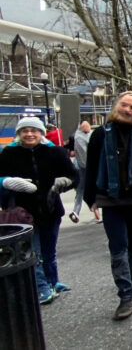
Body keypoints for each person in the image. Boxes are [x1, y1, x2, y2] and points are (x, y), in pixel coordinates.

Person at [84, 91, 132, 320]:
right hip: (110, 198)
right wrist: (91, 199)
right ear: (116, 106)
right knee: (117, 247)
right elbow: (91, 167)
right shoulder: (100, 135)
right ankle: (125, 296)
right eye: (125, 105)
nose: (128, 110)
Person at [0, 117, 77, 304]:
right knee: (33, 253)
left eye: (33, 130)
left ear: (41, 133)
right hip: (22, 214)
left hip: (50, 210)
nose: (29, 134)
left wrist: (65, 182)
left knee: (49, 251)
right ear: (18, 134)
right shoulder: (8, 154)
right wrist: (5, 182)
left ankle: (53, 281)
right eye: (24, 130)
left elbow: (73, 175)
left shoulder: (55, 152)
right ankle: (41, 288)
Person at [69, 121, 98, 223]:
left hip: (81, 166)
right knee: (85, 189)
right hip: (85, 167)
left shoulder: (80, 136)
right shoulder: (80, 137)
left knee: (81, 190)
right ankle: (94, 210)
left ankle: (77, 211)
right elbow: (84, 156)